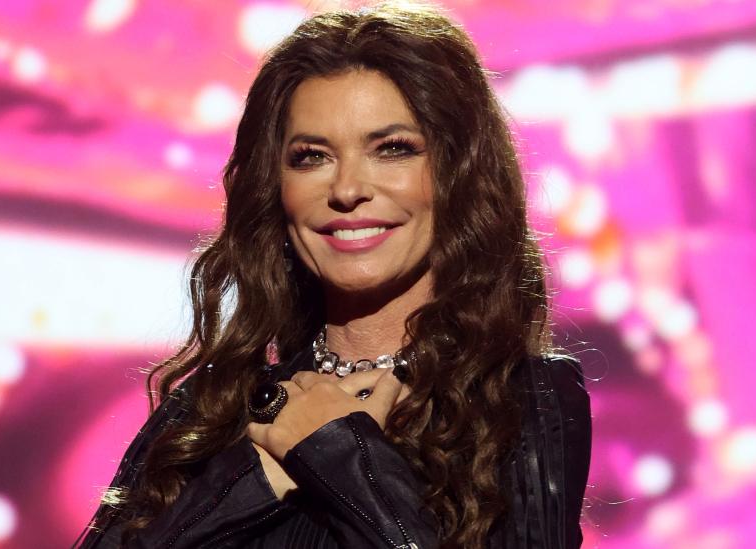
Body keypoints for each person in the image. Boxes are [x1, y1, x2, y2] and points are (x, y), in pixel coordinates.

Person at [74, 2, 592, 548]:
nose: (346, 190)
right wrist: (256, 479)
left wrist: (339, 453)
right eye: (311, 157)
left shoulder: (518, 402)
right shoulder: (212, 411)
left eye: (392, 149)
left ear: (458, 174)